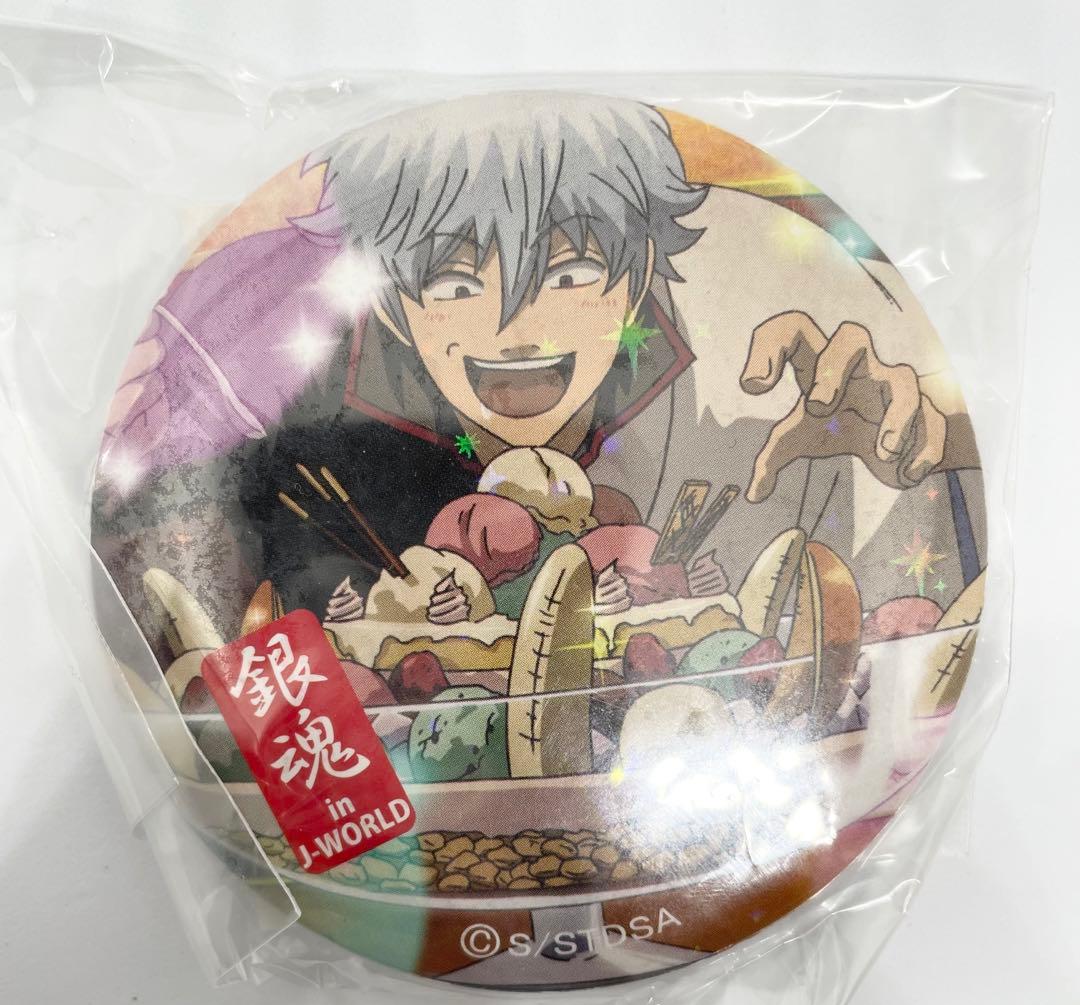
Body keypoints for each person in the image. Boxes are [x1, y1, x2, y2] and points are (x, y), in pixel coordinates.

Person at [93, 92, 984, 645]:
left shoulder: (752, 386)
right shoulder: (302, 430)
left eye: (569, 271)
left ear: (638, 273)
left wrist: (929, 447)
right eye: (453, 279)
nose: (514, 328)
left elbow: (912, 629)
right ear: (394, 301)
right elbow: (187, 642)